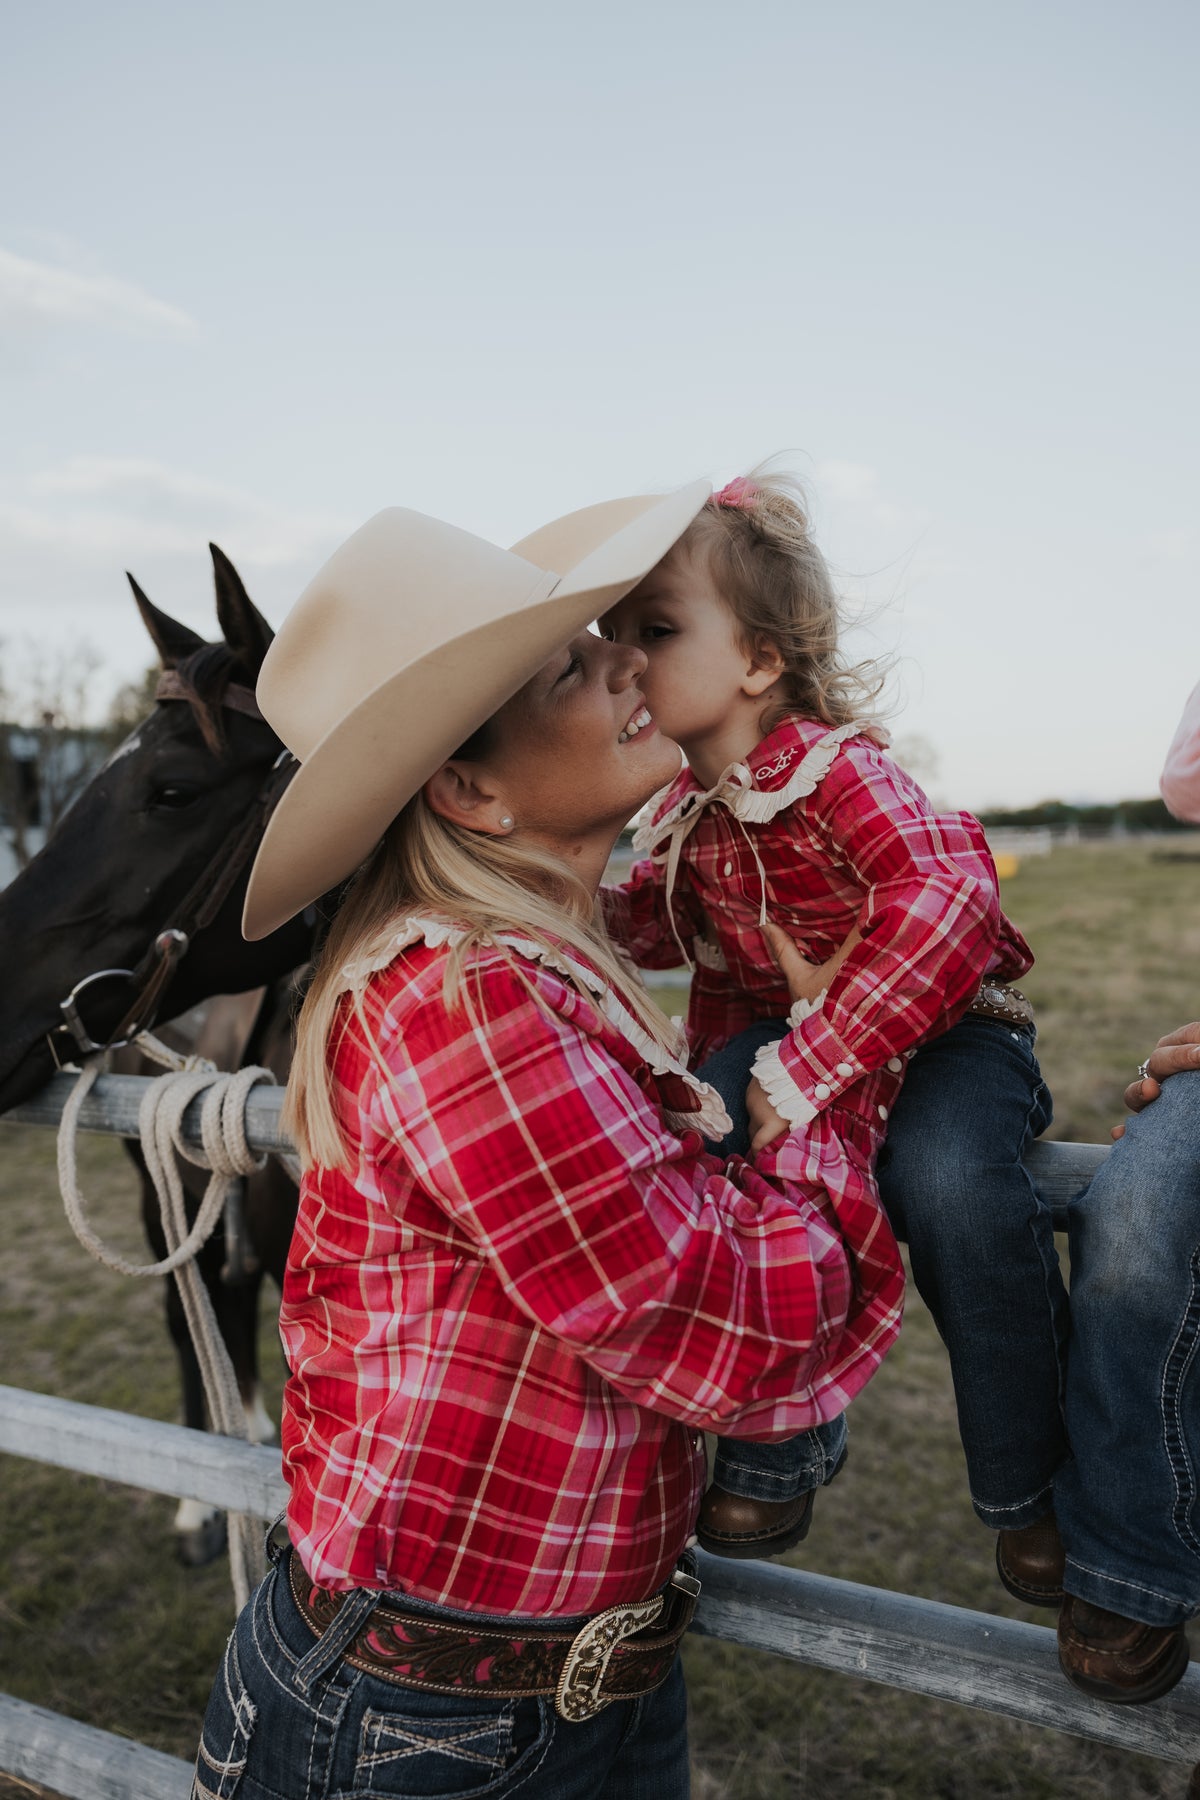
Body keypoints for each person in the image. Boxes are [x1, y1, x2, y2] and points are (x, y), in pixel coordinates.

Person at [191, 491, 905, 1799]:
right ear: (466, 786)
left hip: (540, 1690)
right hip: (427, 1730)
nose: (635, 660)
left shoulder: (524, 973)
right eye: (575, 664)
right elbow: (742, 1319)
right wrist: (836, 1045)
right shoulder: (470, 1002)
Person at [599, 470, 1062, 1608]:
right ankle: (774, 1451)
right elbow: (645, 924)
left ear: (758, 661)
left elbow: (952, 895)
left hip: (947, 1036)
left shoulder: (836, 769)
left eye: (655, 631)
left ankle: (1041, 1486)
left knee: (953, 1183)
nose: (623, 663)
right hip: (777, 1046)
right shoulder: (679, 812)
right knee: (699, 1147)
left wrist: (816, 1056)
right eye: (614, 639)